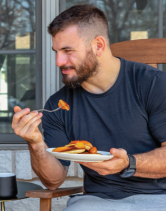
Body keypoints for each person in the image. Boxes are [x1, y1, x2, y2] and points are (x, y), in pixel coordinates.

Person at [12, 4, 166, 211]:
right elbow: (53, 181)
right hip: (96, 202)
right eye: (56, 52)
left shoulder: (153, 85)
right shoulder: (58, 106)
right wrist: (35, 143)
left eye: (68, 51)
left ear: (99, 46)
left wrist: (128, 163)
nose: (58, 61)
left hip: (159, 198)